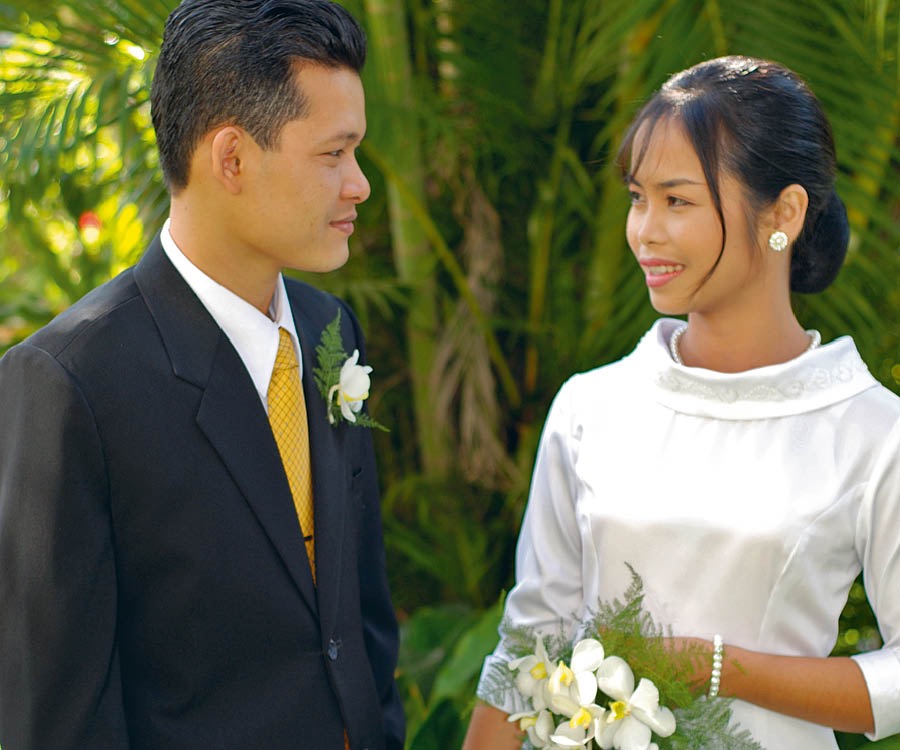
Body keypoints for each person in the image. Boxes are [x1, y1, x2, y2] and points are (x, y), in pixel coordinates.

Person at [463, 56, 900, 749]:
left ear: (784, 213)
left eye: (678, 201)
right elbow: (531, 639)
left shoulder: (871, 431)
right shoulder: (590, 408)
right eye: (639, 198)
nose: (644, 230)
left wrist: (720, 668)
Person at [0, 1, 404, 748]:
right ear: (231, 159)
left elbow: (359, 614)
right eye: (333, 154)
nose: (359, 184)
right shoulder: (70, 382)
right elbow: (57, 716)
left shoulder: (330, 329)